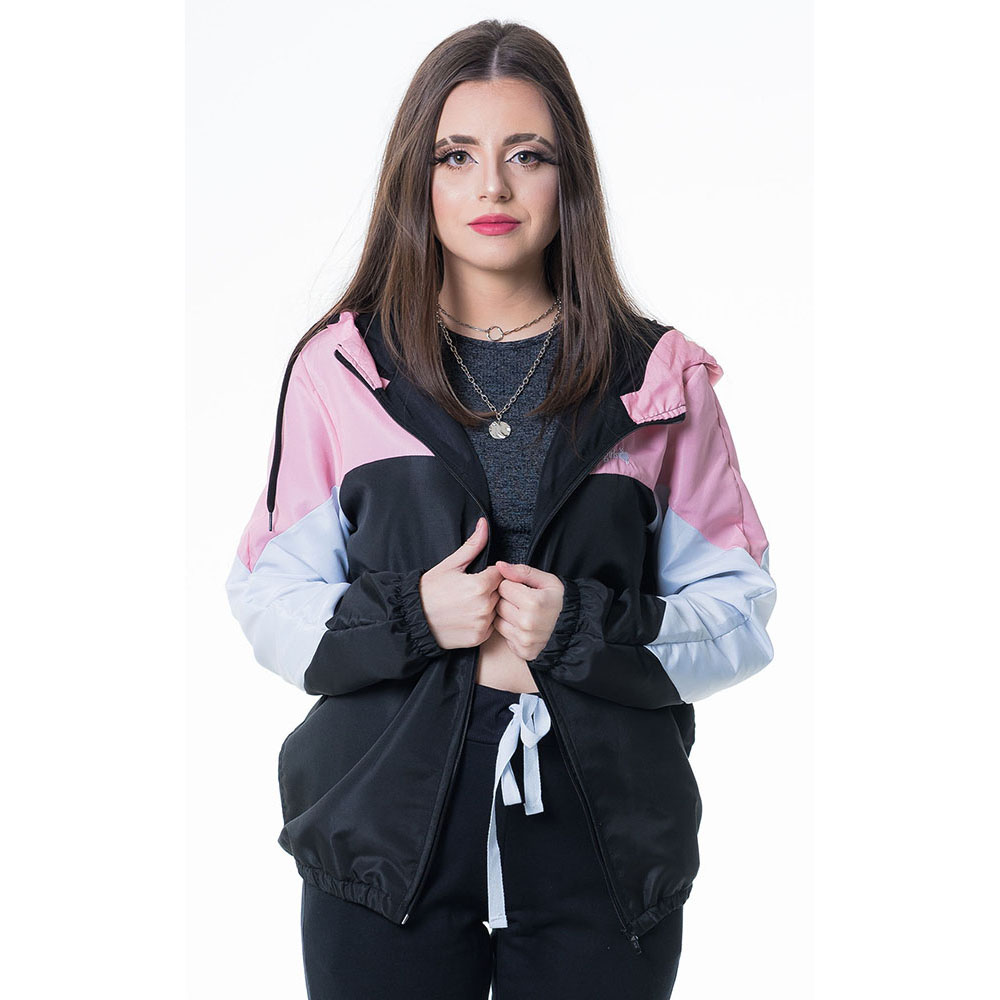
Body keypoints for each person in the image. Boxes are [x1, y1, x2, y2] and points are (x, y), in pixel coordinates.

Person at [225, 18, 777, 1000]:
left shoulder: (656, 381)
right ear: (418, 178)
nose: (492, 187)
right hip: (380, 841)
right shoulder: (340, 370)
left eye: (527, 155)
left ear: (571, 178)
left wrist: (582, 629)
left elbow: (738, 612)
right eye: (457, 156)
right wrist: (411, 616)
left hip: (606, 846)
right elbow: (270, 597)